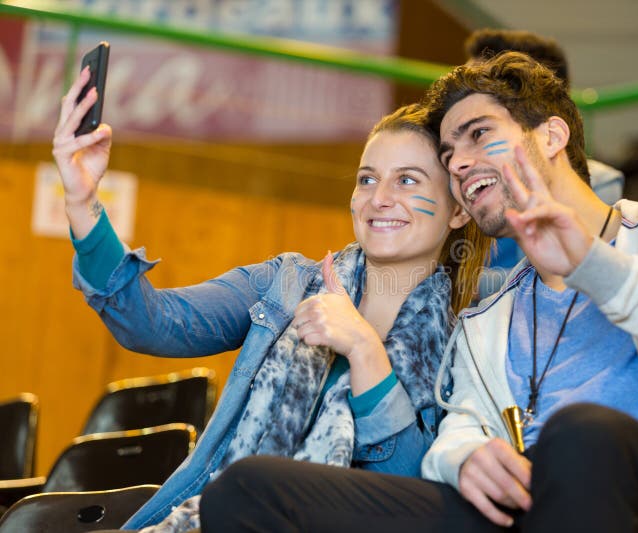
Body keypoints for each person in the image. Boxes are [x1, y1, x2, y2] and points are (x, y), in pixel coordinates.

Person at [200, 52, 638, 533]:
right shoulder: (493, 310)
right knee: (251, 490)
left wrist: (594, 266)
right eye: (448, 152)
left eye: (477, 134)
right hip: (527, 509)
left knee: (581, 435)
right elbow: (461, 427)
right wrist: (463, 456)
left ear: (553, 135)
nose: (458, 163)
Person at [52, 65, 491, 531]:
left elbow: (407, 501)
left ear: (459, 210)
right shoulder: (285, 284)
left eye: (407, 181)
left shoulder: (473, 339)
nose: (378, 198)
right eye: (366, 179)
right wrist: (83, 201)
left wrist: (364, 351)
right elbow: (152, 322)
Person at [465, 29, 625, 299]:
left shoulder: (597, 185)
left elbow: (561, 279)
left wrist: (446, 281)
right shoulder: (462, 176)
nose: (461, 105)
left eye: (482, 122)